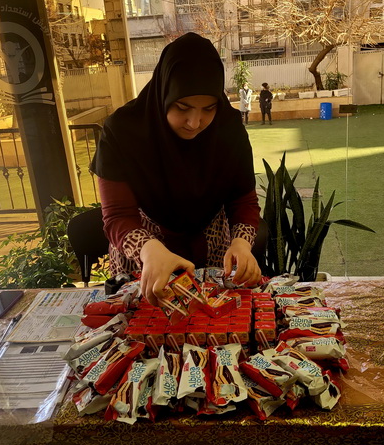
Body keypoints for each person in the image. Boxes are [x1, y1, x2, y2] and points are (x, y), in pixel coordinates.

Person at [92, 32, 262, 307]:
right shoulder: (122, 131)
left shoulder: (228, 127)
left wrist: (241, 243)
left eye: (208, 109)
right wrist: (148, 249)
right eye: (183, 107)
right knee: (144, 325)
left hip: (212, 245)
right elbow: (117, 215)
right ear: (164, 93)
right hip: (144, 249)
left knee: (212, 321)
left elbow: (243, 199)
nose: (195, 123)